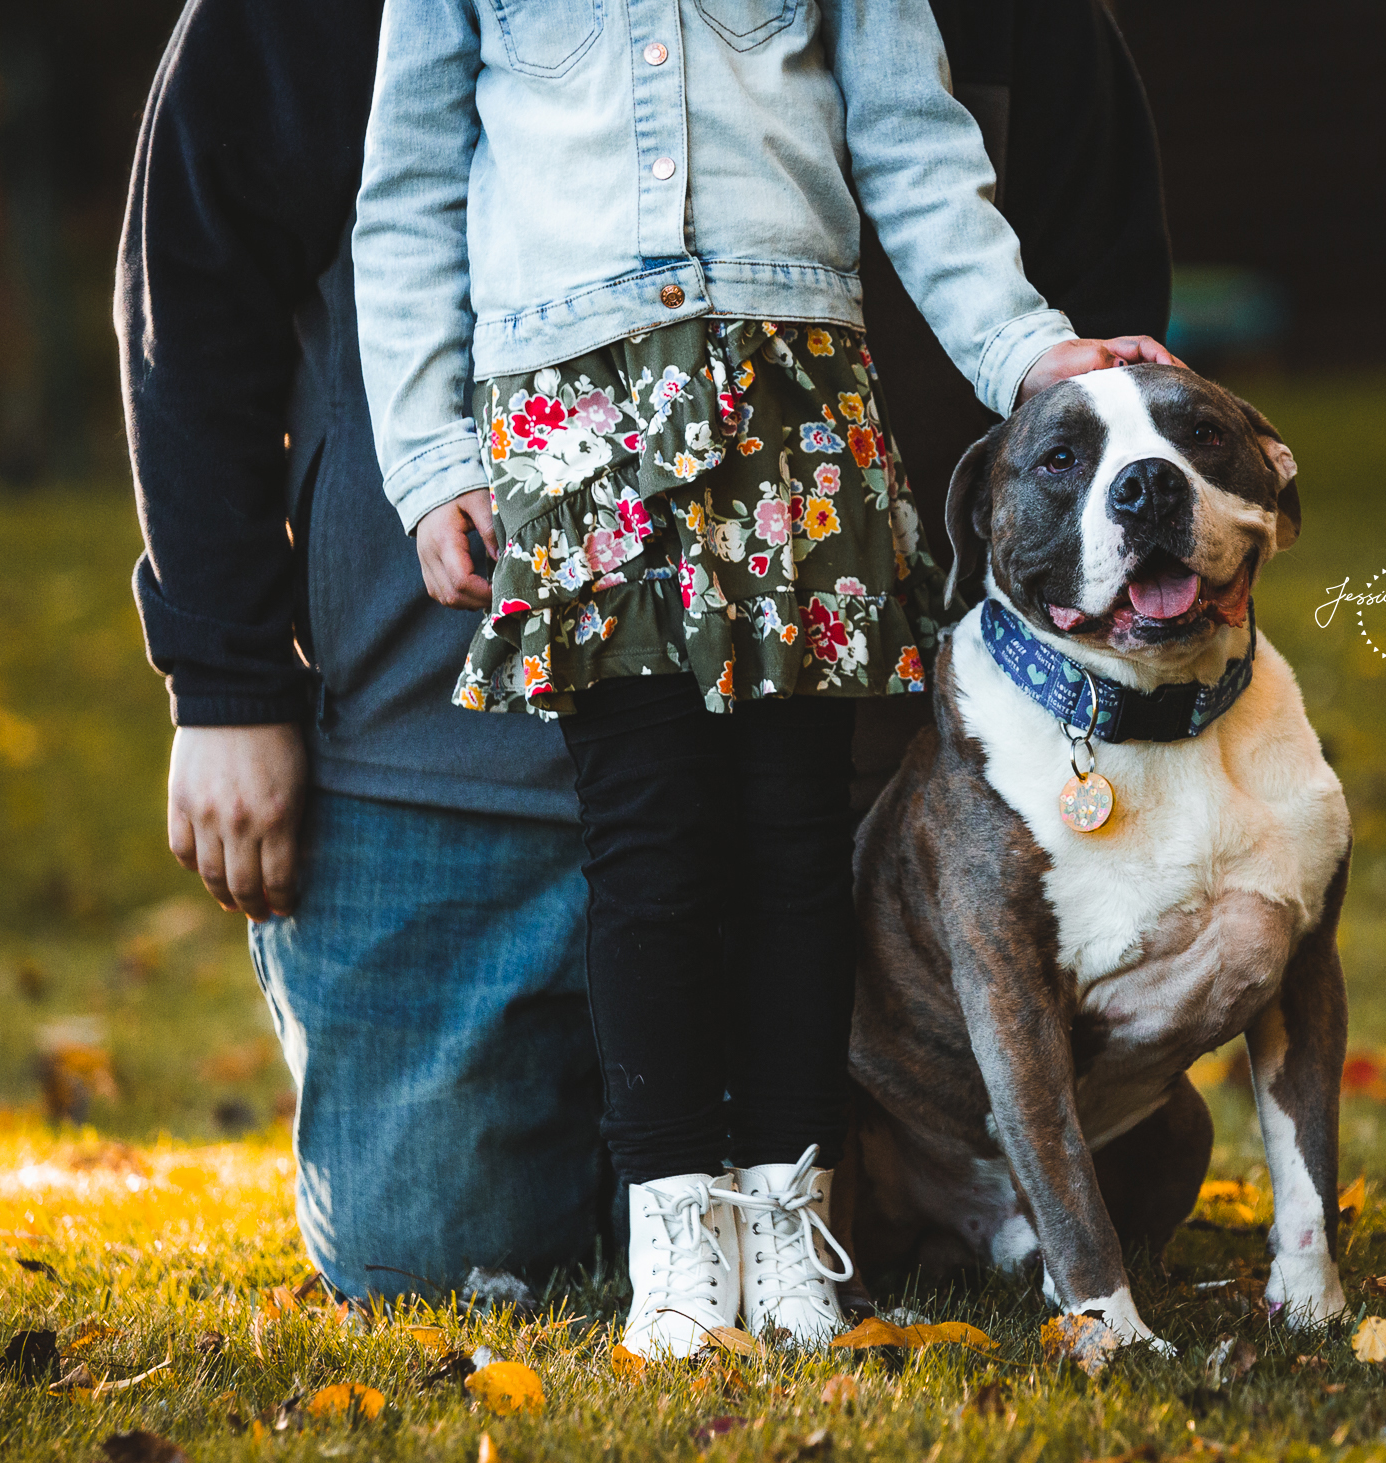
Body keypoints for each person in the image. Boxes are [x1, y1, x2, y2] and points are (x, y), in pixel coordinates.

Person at [352, 0, 1179, 1355]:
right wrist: (430, 459)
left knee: (795, 844)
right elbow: (407, 195)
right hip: (578, 419)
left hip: (798, 399)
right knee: (648, 837)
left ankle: (789, 1215)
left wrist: (1028, 351)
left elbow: (916, 146)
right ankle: (674, 1225)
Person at [117, 0, 608, 1302]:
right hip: (427, 758)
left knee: (893, 1229)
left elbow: (1073, 269)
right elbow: (194, 315)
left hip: (806, 766)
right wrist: (225, 688)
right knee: (432, 1265)